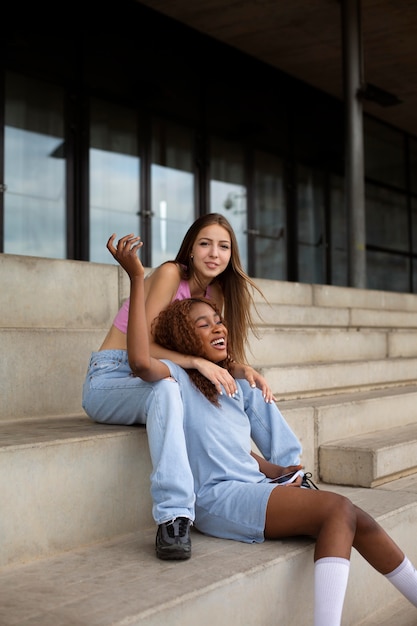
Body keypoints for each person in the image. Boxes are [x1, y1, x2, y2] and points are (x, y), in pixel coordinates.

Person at [108, 232, 417, 626]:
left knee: (357, 516)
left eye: (218, 320)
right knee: (338, 509)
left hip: (252, 486)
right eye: (203, 325)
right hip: (219, 499)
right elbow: (138, 359)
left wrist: (277, 470)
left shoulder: (229, 385)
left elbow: (234, 449)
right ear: (184, 339)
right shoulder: (174, 379)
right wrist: (137, 279)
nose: (218, 328)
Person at [82, 213, 302, 560]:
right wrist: (197, 363)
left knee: (245, 386)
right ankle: (174, 516)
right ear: (191, 248)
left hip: (165, 373)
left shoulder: (216, 291)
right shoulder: (172, 273)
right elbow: (141, 351)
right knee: (167, 387)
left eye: (223, 246)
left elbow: (206, 353)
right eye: (205, 243)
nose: (214, 253)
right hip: (113, 377)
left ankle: (292, 475)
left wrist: (240, 368)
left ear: (232, 254)